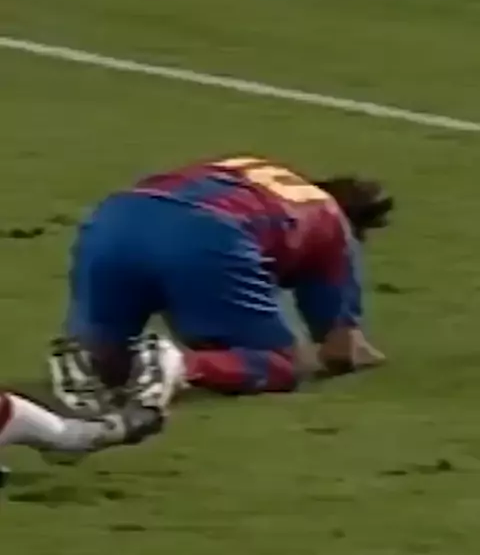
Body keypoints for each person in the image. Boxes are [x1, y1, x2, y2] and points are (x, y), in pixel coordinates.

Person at [51, 155, 393, 423]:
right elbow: (341, 351)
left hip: (114, 218)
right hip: (208, 234)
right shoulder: (331, 221)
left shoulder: (251, 169)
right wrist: (368, 355)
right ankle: (175, 364)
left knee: (107, 357)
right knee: (283, 363)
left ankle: (89, 360)